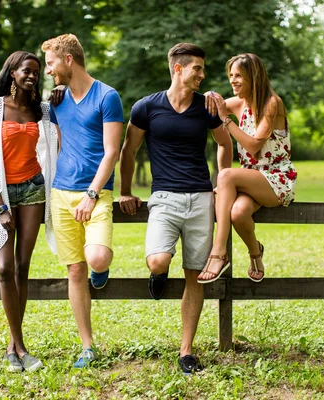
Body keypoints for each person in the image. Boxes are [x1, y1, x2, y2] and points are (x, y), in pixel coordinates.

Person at [118, 43, 233, 375]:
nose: (202, 74)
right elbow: (129, 149)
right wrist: (125, 191)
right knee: (158, 259)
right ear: (177, 69)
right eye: (196, 68)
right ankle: (158, 273)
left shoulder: (206, 107)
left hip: (200, 198)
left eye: (202, 69)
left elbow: (224, 144)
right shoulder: (146, 107)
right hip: (163, 198)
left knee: (196, 275)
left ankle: (186, 351)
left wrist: (221, 181)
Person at [41, 34, 124, 368]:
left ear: (68, 60)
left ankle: (100, 272)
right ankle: (87, 345)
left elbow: (112, 152)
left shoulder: (107, 96)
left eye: (50, 63)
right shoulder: (56, 100)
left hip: (96, 193)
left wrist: (91, 194)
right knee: (75, 271)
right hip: (61, 193)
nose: (48, 71)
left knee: (98, 259)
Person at [0, 50, 63, 373]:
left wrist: (61, 97)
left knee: (22, 267)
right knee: (4, 268)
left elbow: (57, 141)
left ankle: (14, 348)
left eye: (37, 72)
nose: (32, 76)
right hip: (2, 194)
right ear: (12, 72)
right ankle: (19, 346)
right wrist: (0, 206)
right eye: (26, 70)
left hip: (32, 190)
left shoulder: (41, 110)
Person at [198, 53, 297, 284]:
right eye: (230, 75)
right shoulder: (238, 103)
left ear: (254, 76)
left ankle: (219, 252)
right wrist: (210, 96)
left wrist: (226, 119)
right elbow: (213, 103)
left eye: (239, 75)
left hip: (276, 179)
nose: (233, 80)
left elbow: (253, 146)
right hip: (251, 180)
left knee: (226, 175)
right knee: (238, 214)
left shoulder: (272, 103)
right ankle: (255, 252)